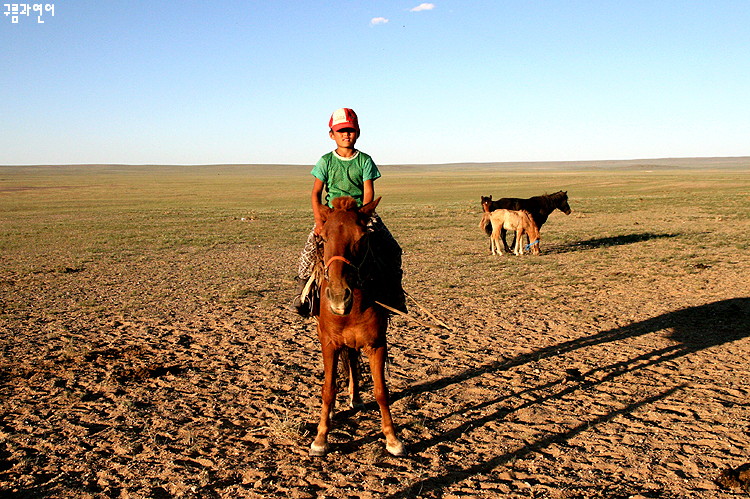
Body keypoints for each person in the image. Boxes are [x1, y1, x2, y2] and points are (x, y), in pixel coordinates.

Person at [291, 108, 405, 317]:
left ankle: (395, 294)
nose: (346, 135)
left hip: (360, 213)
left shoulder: (364, 160)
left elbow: (368, 191)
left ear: (358, 132)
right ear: (331, 135)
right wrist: (319, 222)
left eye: (350, 130)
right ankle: (302, 294)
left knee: (392, 249)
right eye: (341, 131)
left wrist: (364, 216)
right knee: (309, 249)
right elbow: (316, 193)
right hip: (332, 215)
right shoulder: (326, 161)